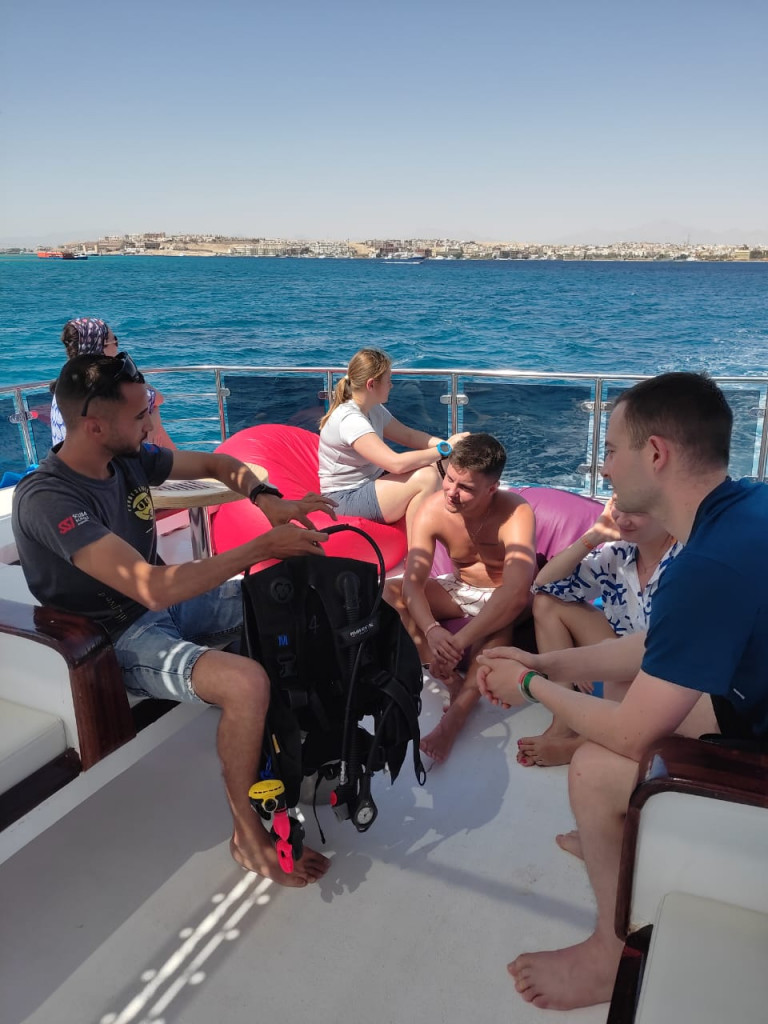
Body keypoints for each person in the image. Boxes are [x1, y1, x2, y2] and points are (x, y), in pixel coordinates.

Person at [475, 372, 768, 1011]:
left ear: (655, 454)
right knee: (615, 732)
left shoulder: (705, 564)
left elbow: (635, 732)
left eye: (610, 449)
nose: (601, 466)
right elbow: (654, 647)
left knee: (597, 767)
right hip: (755, 699)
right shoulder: (745, 510)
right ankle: (621, 840)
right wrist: (546, 661)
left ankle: (612, 954)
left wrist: (525, 682)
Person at [12, 352, 339, 887]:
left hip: (166, 607)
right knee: (245, 682)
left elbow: (216, 466)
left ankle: (296, 748)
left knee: (293, 599)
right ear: (94, 425)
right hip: (113, 638)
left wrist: (267, 499)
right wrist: (262, 544)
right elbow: (151, 585)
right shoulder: (49, 499)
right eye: (142, 413)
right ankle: (245, 835)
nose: (151, 421)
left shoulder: (129, 459)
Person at [385, 434, 536, 763]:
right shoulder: (432, 510)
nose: (452, 492)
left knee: (499, 628)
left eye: (465, 488)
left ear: (491, 489)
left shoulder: (515, 512)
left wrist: (460, 641)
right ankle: (449, 680)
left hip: (504, 594)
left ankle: (454, 721)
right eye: (449, 479)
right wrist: (432, 632)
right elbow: (412, 582)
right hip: (461, 587)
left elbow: (516, 591)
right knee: (388, 592)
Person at [517, 495, 681, 767]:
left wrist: (595, 660)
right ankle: (564, 721)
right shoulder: (618, 553)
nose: (624, 520)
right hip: (620, 650)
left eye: (637, 510)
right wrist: (595, 535)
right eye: (619, 509)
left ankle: (584, 743)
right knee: (548, 604)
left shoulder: (687, 562)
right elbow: (543, 584)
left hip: (663, 670)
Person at [318, 348, 467, 538]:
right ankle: (416, 556)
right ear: (371, 385)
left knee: (444, 465)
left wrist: (451, 447)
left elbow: (408, 436)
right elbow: (395, 464)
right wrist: (444, 448)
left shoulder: (372, 408)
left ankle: (446, 530)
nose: (391, 386)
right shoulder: (351, 420)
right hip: (344, 499)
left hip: (370, 483)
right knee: (427, 477)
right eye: (388, 381)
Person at [49, 317, 175, 448]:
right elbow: (158, 399)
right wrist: (155, 418)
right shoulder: (107, 386)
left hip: (72, 463)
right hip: (106, 465)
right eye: (114, 340)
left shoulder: (67, 382)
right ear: (100, 346)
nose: (117, 344)